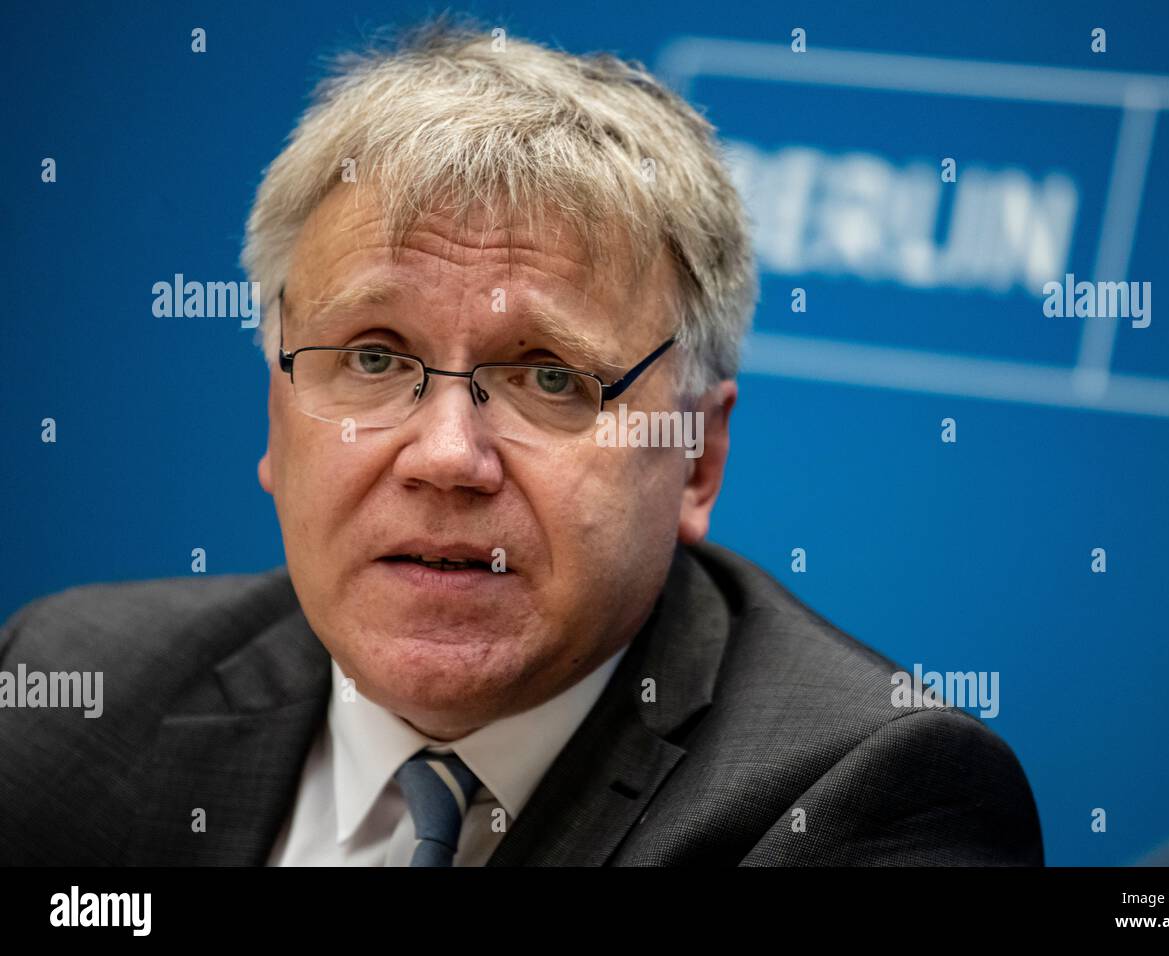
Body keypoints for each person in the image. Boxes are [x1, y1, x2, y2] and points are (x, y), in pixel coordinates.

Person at [0, 15, 1043, 866]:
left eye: (549, 377)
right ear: (275, 411)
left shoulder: (861, 802)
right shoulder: (65, 695)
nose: (446, 455)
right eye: (373, 357)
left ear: (698, 458)